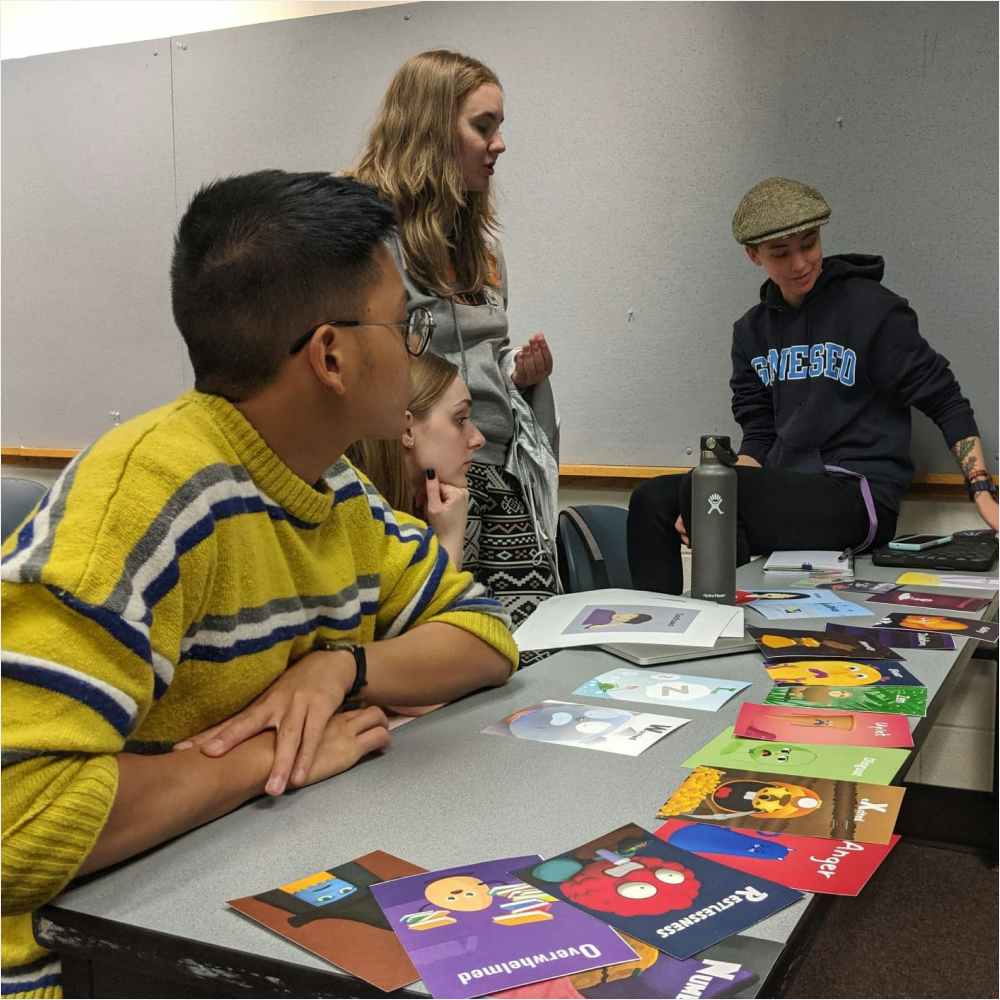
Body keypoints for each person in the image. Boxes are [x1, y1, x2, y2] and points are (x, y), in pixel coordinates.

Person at [0, 170, 518, 996]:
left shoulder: (330, 488)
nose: (416, 349)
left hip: (230, 895)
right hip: (87, 965)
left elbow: (487, 635)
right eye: (404, 323)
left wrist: (344, 667)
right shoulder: (147, 492)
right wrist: (273, 756)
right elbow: (16, 820)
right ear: (333, 354)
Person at [628, 176, 998, 594]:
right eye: (781, 253)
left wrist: (982, 491)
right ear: (754, 255)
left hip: (859, 497)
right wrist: (708, 494)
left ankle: (723, 621)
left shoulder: (872, 311)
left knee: (708, 491)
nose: (800, 263)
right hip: (786, 488)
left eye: (809, 243)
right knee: (652, 501)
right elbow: (760, 437)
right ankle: (663, 633)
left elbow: (946, 399)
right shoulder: (750, 332)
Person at [352, 49, 560, 636]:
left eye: (499, 128)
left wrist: (518, 377)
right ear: (430, 131)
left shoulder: (483, 252)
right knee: (435, 648)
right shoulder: (369, 244)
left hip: (496, 470)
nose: (499, 145)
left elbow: (483, 364)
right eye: (482, 127)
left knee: (524, 647)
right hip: (413, 481)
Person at [347, 352, 485, 569]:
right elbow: (438, 604)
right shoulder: (355, 516)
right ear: (407, 429)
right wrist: (450, 539)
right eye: (460, 420)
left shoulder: (445, 508)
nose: (478, 439)